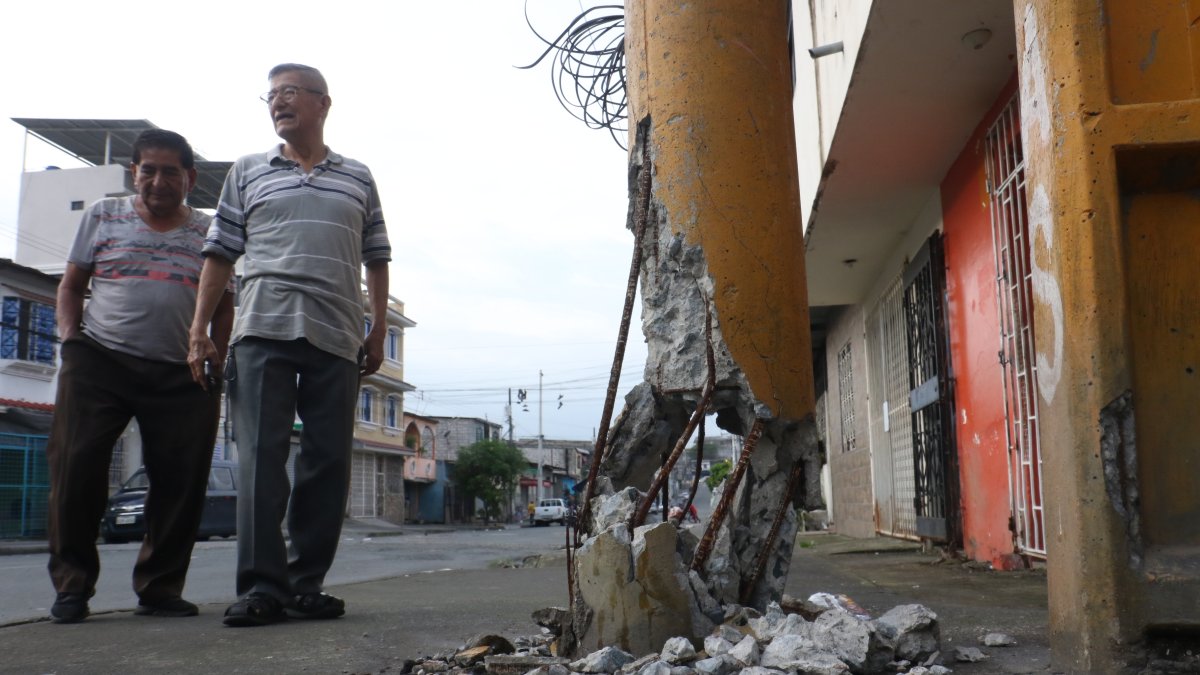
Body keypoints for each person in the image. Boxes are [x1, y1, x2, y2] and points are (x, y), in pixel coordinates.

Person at [189, 63, 391, 627]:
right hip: (262, 329)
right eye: (271, 95)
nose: (278, 103)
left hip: (337, 332)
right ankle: (261, 588)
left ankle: (306, 584)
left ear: (323, 104)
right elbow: (219, 254)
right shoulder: (248, 171)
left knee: (327, 462)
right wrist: (199, 330)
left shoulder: (357, 176)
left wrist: (376, 329)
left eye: (290, 93)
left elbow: (377, 255)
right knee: (260, 460)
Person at [46, 129, 235, 623]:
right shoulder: (102, 216)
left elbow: (224, 300)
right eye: (147, 169)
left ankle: (160, 588)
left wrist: (217, 350)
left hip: (184, 369)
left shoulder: (210, 231)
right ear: (134, 173)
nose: (158, 180)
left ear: (190, 178)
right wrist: (71, 343)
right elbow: (71, 286)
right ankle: (72, 587)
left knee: (181, 481)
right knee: (76, 469)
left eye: (170, 171)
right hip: (101, 361)